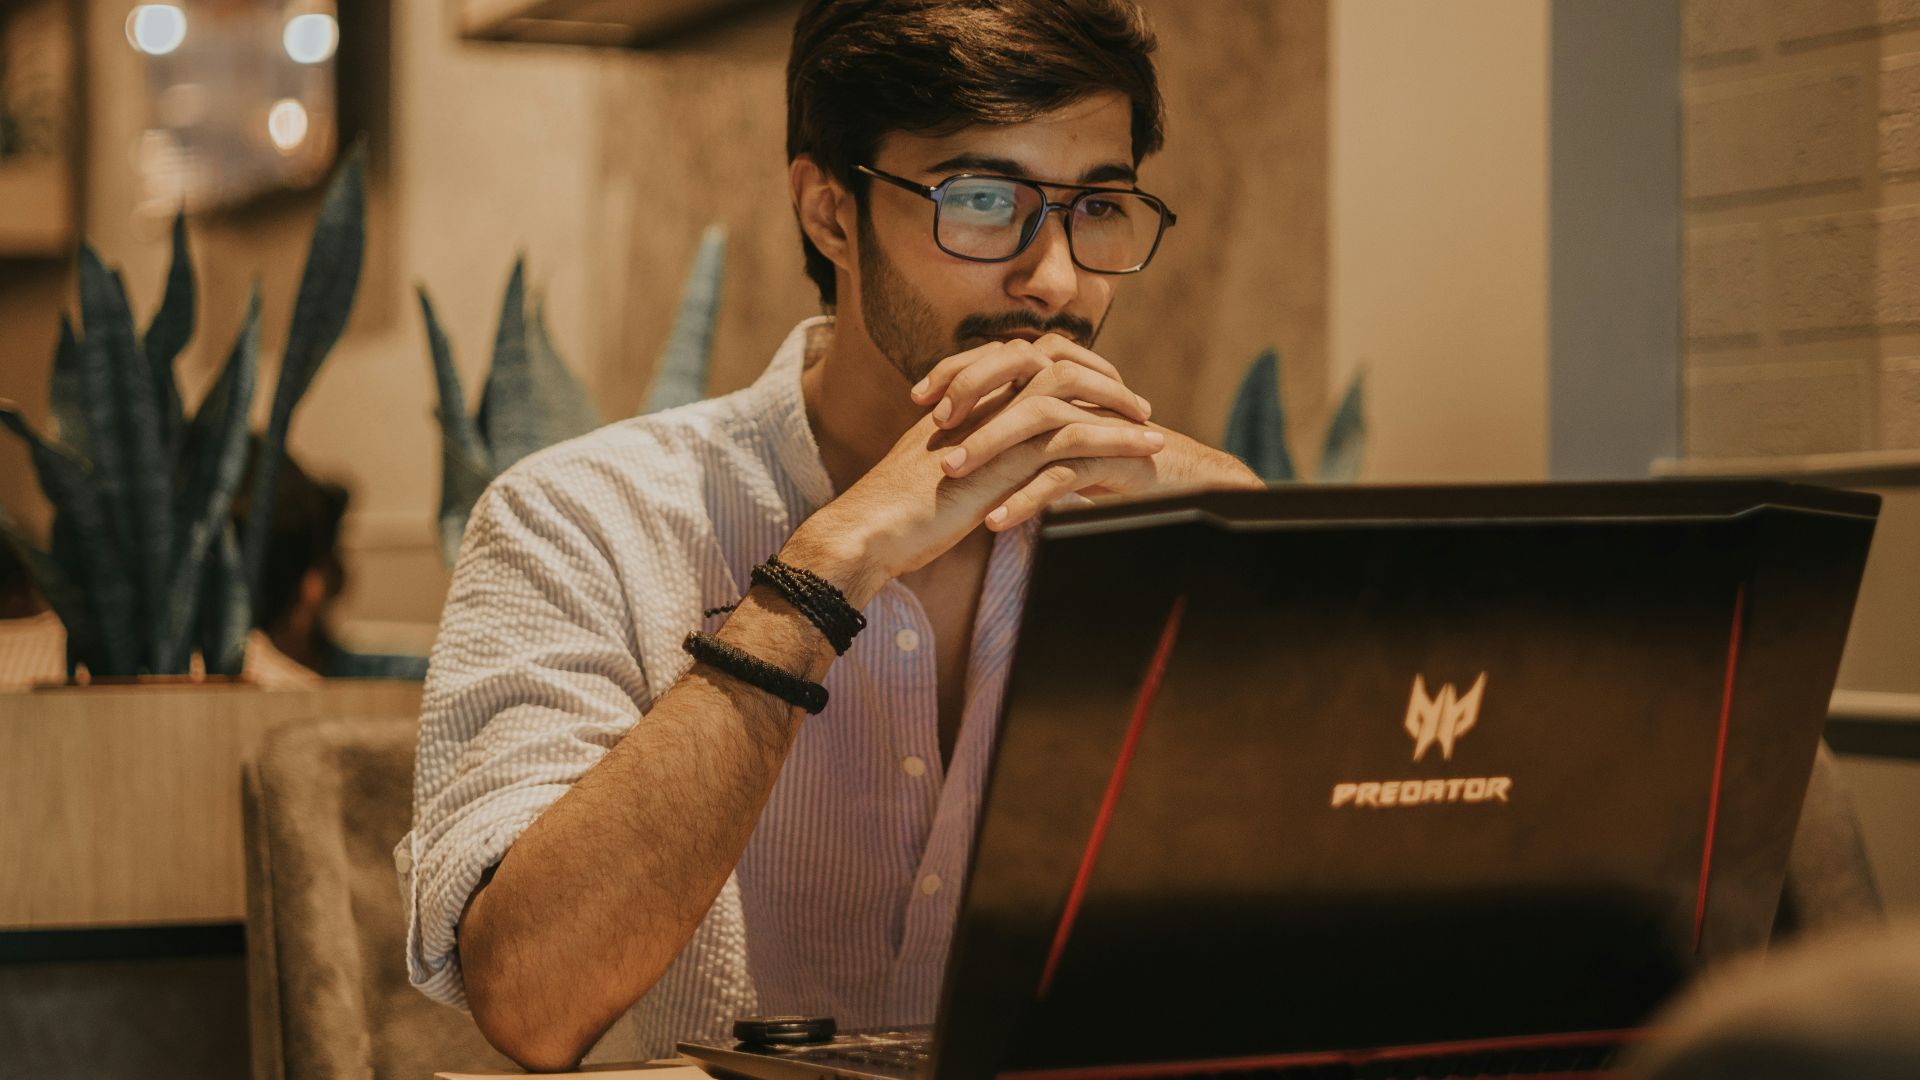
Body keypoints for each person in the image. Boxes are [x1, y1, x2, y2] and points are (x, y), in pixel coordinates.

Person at [398, 0, 1263, 1070]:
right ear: (830, 212)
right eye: (985, 199)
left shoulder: (1172, 529)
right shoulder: (579, 518)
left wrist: (1254, 556)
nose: (1056, 279)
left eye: (1097, 206)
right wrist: (823, 570)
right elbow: (532, 1000)